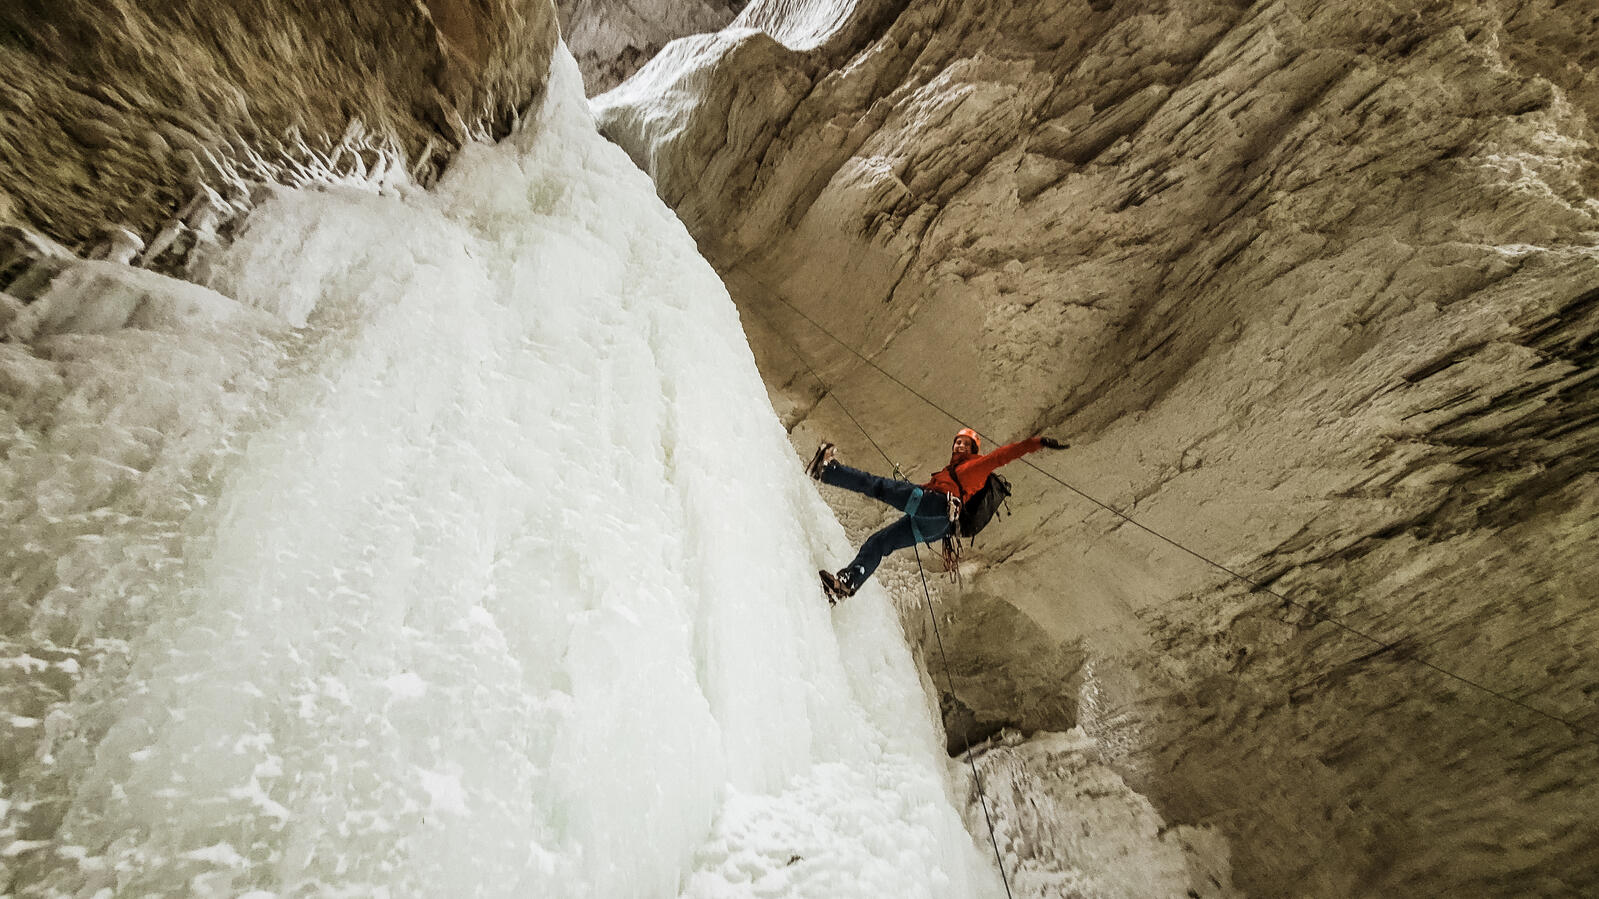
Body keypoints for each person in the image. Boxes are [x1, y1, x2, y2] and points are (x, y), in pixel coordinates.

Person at [806, 427, 1066, 601]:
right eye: (958, 441)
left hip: (937, 508)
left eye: (966, 443)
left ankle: (827, 470)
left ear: (975, 450)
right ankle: (845, 584)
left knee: (878, 486)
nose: (960, 445)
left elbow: (1001, 457)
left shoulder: (976, 467)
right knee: (879, 543)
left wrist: (1035, 443)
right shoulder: (950, 472)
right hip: (935, 525)